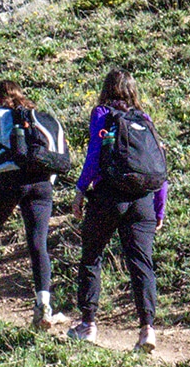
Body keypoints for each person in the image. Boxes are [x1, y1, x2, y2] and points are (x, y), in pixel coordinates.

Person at [71, 68, 168, 352]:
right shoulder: (144, 119)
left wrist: (80, 189)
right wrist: (159, 208)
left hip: (108, 196)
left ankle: (88, 324)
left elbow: (94, 153)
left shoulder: (102, 114)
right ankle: (147, 330)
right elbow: (159, 165)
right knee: (142, 264)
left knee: (92, 256)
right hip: (143, 200)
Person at [0, 80, 68, 326]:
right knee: (38, 242)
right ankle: (43, 304)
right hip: (42, 181)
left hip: (8, 179)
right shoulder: (41, 117)